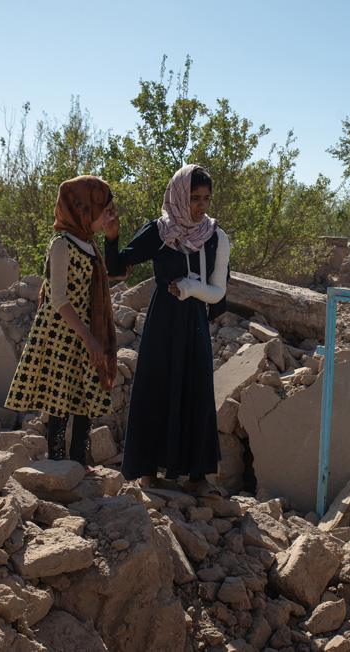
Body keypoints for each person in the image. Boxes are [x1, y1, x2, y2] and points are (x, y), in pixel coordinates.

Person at [104, 164, 231, 495]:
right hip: (163, 322)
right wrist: (112, 236)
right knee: (155, 387)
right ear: (178, 195)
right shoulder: (160, 232)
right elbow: (117, 267)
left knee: (197, 387)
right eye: (193, 198)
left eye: (206, 199)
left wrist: (189, 287)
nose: (200, 206)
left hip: (194, 323)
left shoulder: (216, 237)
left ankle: (197, 475)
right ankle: (147, 471)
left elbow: (218, 293)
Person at [5, 175, 118, 465]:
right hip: (62, 330)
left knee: (84, 395)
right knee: (60, 399)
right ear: (82, 209)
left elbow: (111, 278)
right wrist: (89, 337)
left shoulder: (90, 244)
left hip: (85, 331)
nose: (108, 213)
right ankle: (57, 464)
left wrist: (112, 236)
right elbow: (58, 299)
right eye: (102, 208)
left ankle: (79, 463)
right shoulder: (61, 245)